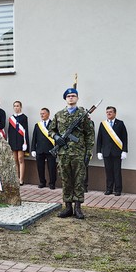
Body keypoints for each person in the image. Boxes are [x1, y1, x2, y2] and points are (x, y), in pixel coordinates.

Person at [49, 88, 95, 219]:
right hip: (63, 153)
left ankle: (78, 208)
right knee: (66, 180)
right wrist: (56, 137)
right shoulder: (58, 115)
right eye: (68, 96)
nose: (71, 98)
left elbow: (90, 134)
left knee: (79, 180)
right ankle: (68, 207)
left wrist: (88, 152)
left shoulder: (83, 115)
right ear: (65, 98)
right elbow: (51, 130)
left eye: (73, 96)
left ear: (77, 98)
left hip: (78, 153)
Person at [96, 106, 128, 196]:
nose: (108, 113)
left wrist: (124, 151)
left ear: (115, 113)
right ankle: (109, 189)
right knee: (108, 171)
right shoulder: (103, 124)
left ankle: (118, 190)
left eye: (110, 112)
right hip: (106, 152)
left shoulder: (120, 123)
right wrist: (99, 151)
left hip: (117, 152)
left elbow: (125, 138)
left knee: (117, 171)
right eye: (107, 112)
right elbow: (99, 139)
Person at [31, 107, 57, 189]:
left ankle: (52, 183)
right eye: (41, 114)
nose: (42, 115)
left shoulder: (53, 124)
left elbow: (57, 137)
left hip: (50, 149)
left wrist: (56, 148)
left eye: (43, 113)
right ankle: (42, 182)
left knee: (52, 167)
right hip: (40, 150)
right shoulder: (38, 125)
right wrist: (33, 149)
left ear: (48, 114)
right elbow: (34, 138)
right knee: (40, 167)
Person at [8, 100, 29, 185]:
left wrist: (25, 142)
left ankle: (21, 179)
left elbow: (25, 131)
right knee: (15, 160)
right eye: (15, 106)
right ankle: (16, 178)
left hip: (21, 140)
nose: (16, 107)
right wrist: (8, 141)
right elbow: (9, 131)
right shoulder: (11, 118)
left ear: (20, 107)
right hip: (13, 140)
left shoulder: (24, 117)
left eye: (18, 106)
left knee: (20, 158)